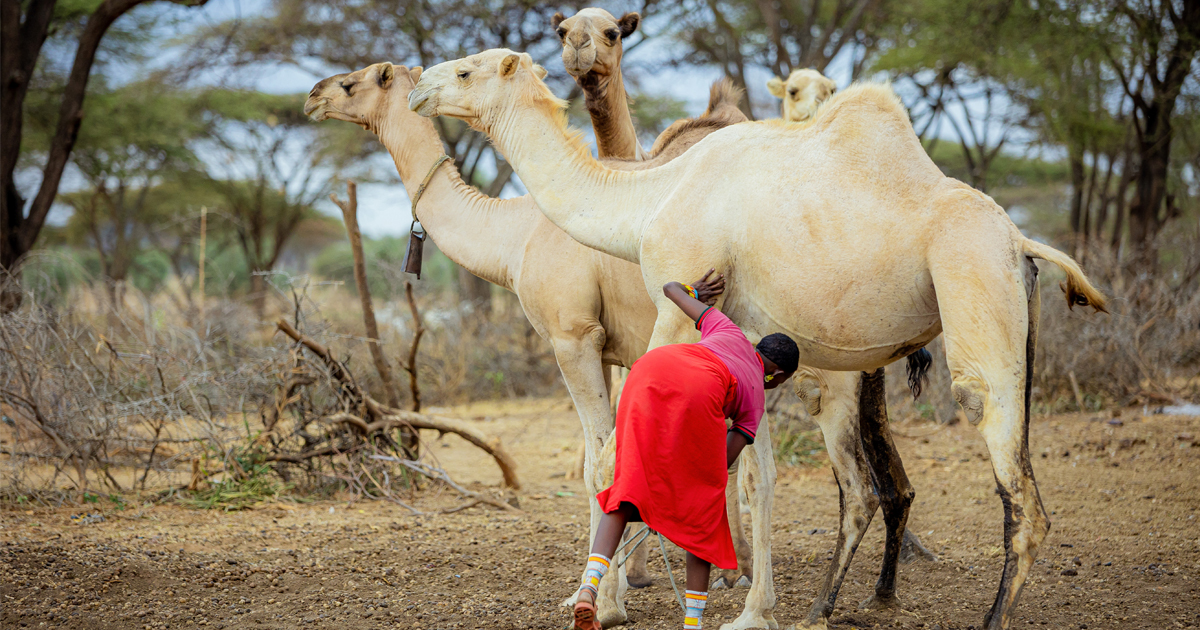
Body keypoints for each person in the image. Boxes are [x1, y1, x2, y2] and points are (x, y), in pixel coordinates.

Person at [572, 269, 800, 630]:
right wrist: (681, 501)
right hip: (701, 388)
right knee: (704, 511)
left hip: (648, 372)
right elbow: (719, 463)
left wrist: (698, 290)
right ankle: (692, 624)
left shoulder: (726, 329)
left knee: (626, 490)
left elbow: (670, 290)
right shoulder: (756, 392)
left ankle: (588, 587)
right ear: (779, 375)